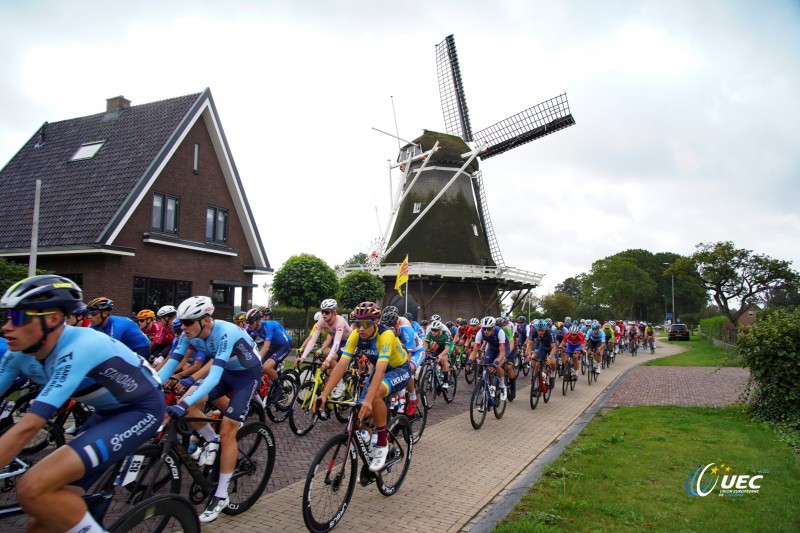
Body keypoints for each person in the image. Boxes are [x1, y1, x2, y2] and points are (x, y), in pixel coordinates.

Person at [0, 275, 164, 533]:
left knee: (32, 487)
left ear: (53, 319)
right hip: (106, 412)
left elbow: (28, 427)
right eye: (7, 316)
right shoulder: (17, 354)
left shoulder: (79, 346)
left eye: (19, 317)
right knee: (43, 519)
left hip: (140, 409)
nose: (7, 327)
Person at [158, 296, 262, 523]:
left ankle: (221, 494)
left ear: (205, 320)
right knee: (186, 406)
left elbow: (214, 375)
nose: (183, 327)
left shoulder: (225, 332)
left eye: (187, 322)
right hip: (226, 372)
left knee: (227, 430)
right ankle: (210, 439)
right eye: (181, 322)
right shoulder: (189, 334)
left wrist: (184, 402)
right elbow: (172, 363)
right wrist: (150, 387)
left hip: (246, 376)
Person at [314, 302, 411, 472]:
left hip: (398, 368)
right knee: (359, 412)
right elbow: (341, 365)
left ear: (376, 322)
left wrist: (368, 400)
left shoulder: (386, 334)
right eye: (357, 323)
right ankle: (371, 444)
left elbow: (381, 369)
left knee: (374, 396)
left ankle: (382, 444)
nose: (360, 328)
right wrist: (324, 394)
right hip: (380, 370)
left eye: (366, 323)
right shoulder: (355, 335)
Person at [245, 307, 293, 401]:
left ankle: (279, 388)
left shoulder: (268, 326)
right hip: (273, 347)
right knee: (256, 369)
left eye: (250, 322)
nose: (248, 325)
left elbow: (266, 347)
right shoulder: (252, 327)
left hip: (284, 345)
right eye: (247, 322)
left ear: (258, 321)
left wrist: (256, 360)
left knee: (265, 367)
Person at [466, 316, 509, 401]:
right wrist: (470, 361)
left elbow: (502, 353)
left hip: (503, 349)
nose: (486, 331)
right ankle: (488, 386)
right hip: (492, 348)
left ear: (493, 327)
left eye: (488, 329)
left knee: (497, 366)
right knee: (486, 367)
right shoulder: (480, 333)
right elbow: (475, 351)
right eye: (484, 328)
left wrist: (495, 363)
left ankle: (502, 386)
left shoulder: (499, 332)